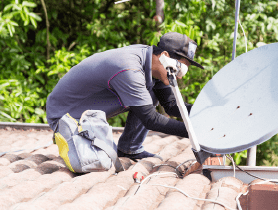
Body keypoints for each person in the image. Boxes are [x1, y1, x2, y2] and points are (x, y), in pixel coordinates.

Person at [46, 32, 204, 161]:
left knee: (150, 92)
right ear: (164, 55)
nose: (180, 77)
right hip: (65, 118)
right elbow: (150, 119)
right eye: (181, 69)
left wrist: (208, 115)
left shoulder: (152, 63)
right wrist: (197, 133)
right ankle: (127, 148)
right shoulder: (130, 69)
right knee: (145, 98)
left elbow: (171, 105)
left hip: (84, 115)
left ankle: (130, 149)